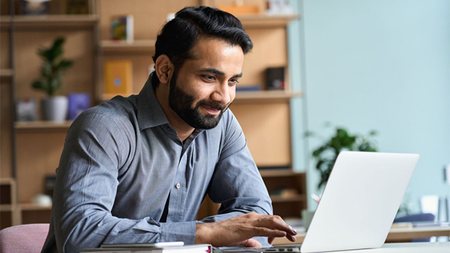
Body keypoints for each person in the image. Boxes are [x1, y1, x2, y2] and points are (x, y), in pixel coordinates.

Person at [41, 6, 297, 253]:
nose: (223, 96)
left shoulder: (222, 124)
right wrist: (203, 234)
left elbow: (257, 214)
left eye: (232, 81)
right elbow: (80, 234)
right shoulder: (104, 127)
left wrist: (213, 234)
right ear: (165, 70)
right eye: (209, 77)